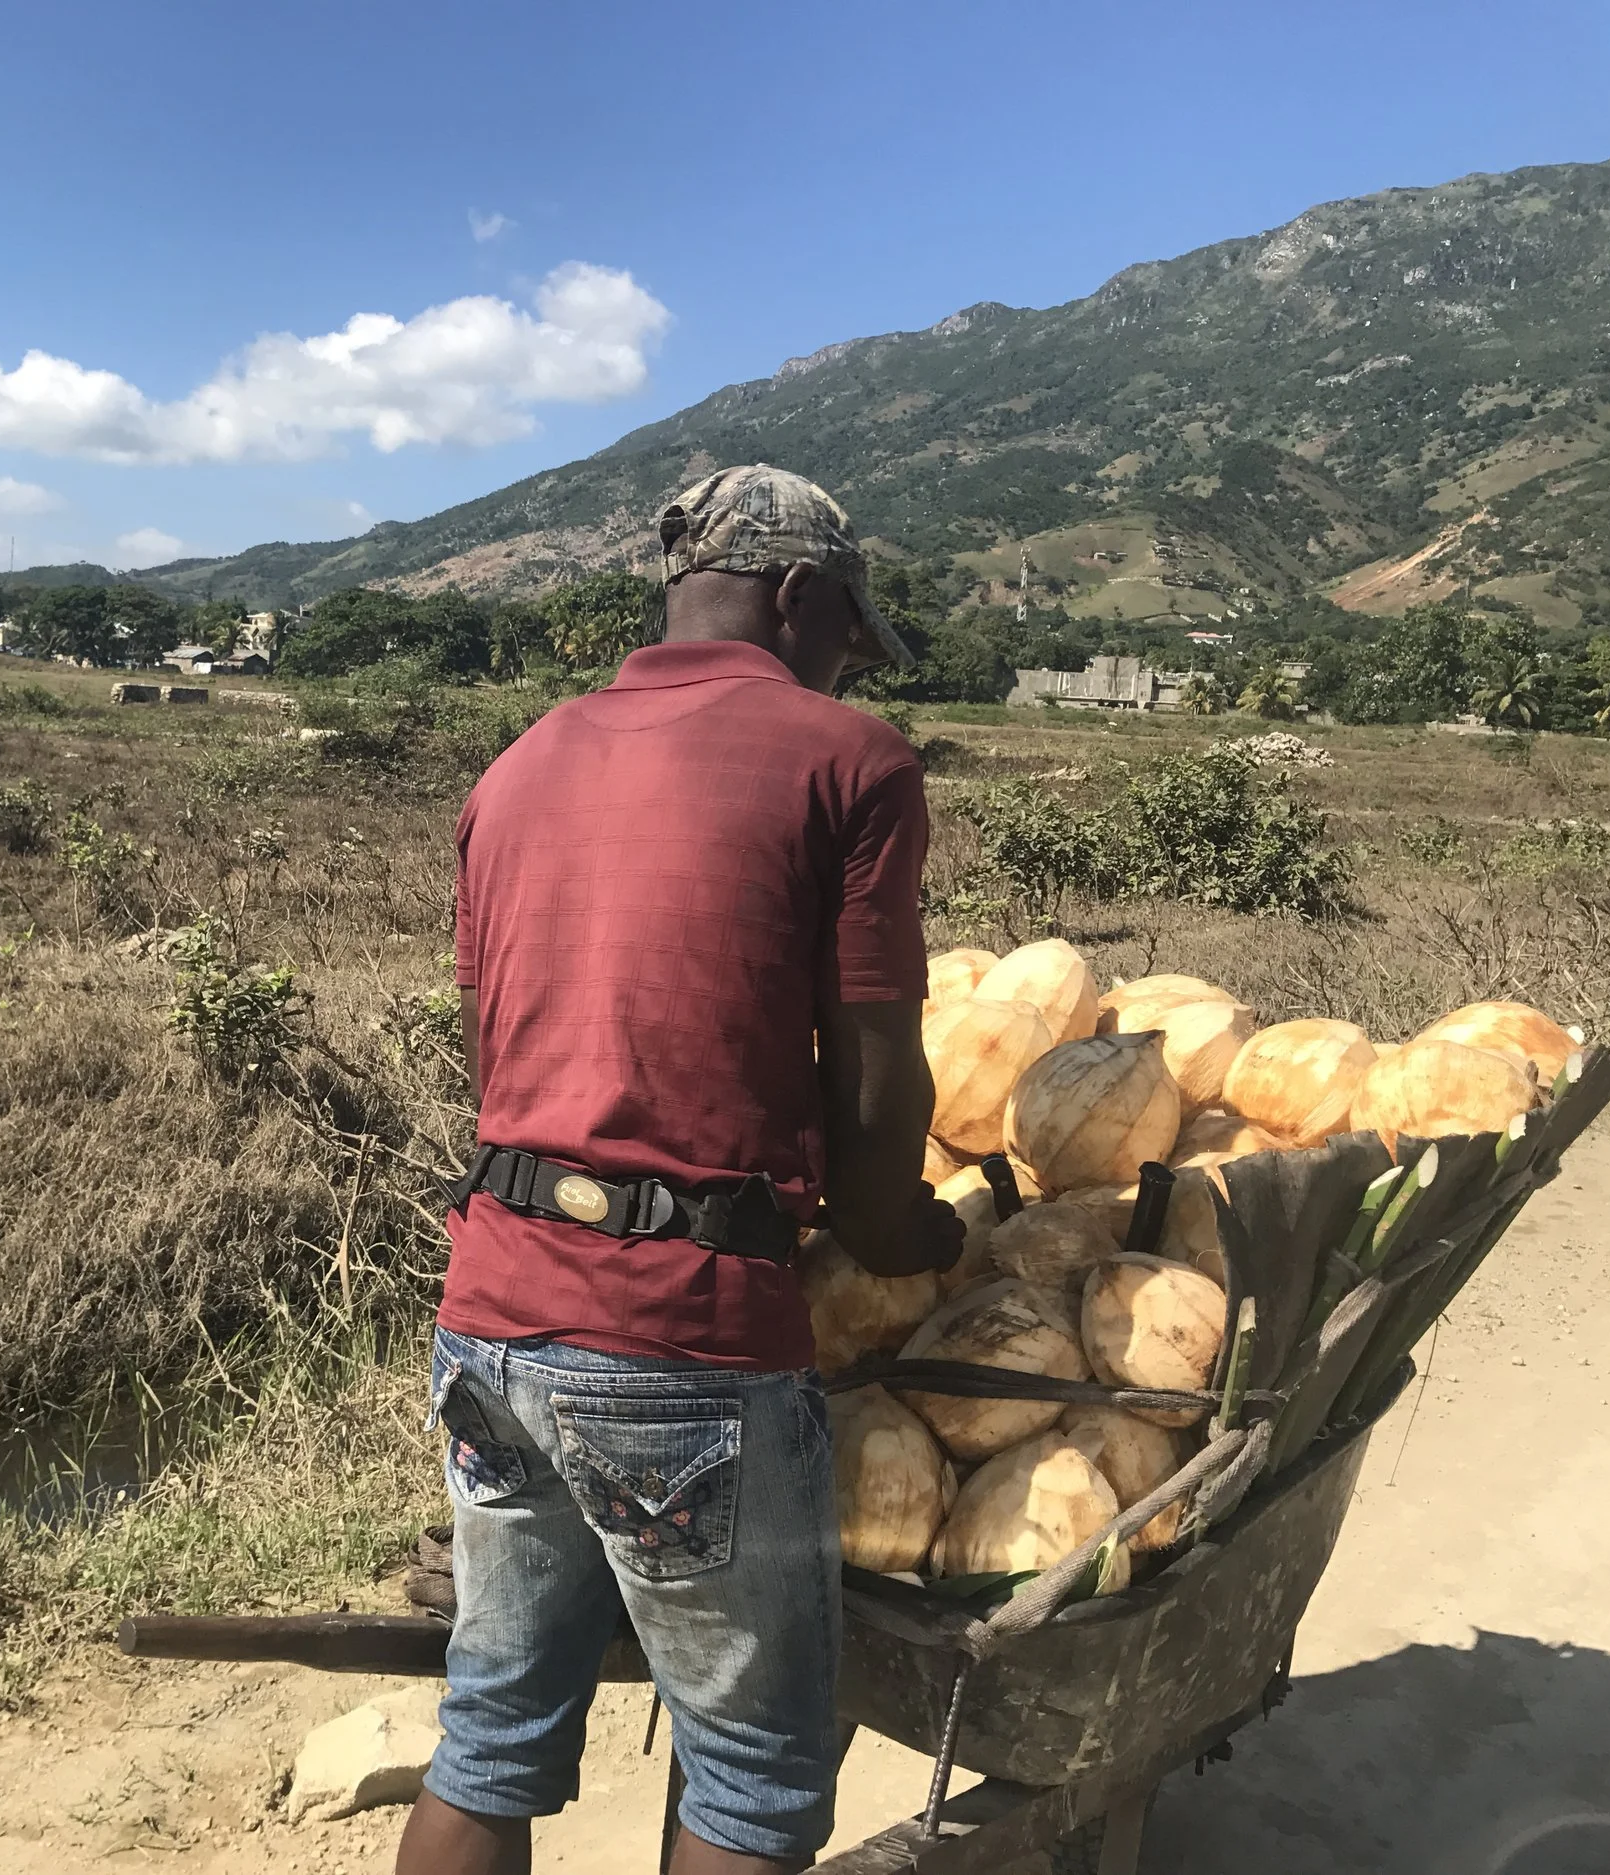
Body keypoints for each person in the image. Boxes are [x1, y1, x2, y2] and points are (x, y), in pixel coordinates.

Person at [395, 465, 964, 1875]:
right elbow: (879, 1081)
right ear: (796, 597)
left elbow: (518, 1054)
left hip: (492, 1312)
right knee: (755, 1777)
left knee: (491, 1729)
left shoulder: (518, 764)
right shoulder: (851, 759)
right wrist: (912, 1236)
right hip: (683, 1334)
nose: (844, 667)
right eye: (843, 636)